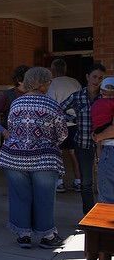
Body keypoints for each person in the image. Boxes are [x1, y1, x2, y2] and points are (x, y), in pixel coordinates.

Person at [0, 67, 67, 249]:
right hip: (44, 159)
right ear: (43, 83)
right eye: (49, 81)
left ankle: (24, 235)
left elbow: (11, 128)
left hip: (14, 158)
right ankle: (48, 236)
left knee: (19, 196)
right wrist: (47, 142)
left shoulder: (16, 103)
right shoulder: (52, 105)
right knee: (44, 197)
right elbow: (62, 134)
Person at [60, 62, 107, 215]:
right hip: (83, 143)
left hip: (105, 144)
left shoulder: (106, 96)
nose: (97, 80)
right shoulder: (78, 95)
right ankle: (89, 216)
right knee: (86, 183)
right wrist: (73, 119)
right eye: (94, 76)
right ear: (87, 77)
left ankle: (105, 215)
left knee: (105, 181)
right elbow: (58, 109)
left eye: (100, 78)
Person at [47, 58, 82, 193]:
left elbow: (52, 105)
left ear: (53, 70)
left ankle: (60, 182)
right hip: (75, 123)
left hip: (58, 124)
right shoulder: (75, 82)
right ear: (65, 69)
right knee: (74, 153)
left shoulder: (52, 84)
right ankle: (78, 181)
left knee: (58, 153)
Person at [0, 65, 29, 139]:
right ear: (19, 81)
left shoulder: (36, 94)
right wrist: (3, 131)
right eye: (30, 79)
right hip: (13, 140)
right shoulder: (9, 95)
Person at [93, 77, 114, 203]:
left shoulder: (101, 105)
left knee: (107, 199)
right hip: (108, 149)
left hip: (110, 149)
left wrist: (98, 137)